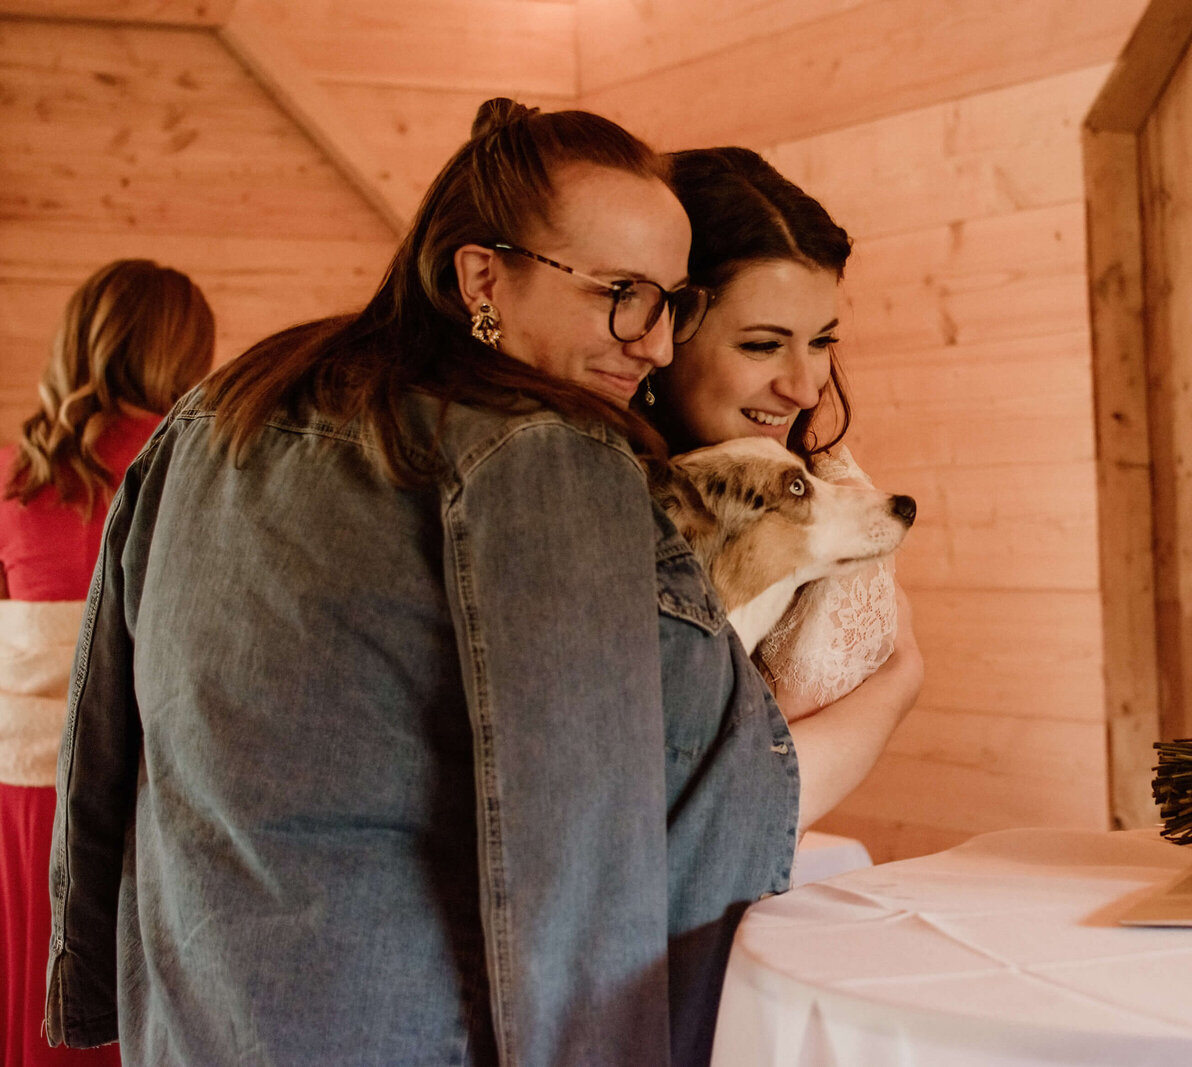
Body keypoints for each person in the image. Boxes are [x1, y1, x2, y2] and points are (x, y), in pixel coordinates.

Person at [47, 103, 797, 1067]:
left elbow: (104, 733)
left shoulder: (221, 406)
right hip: (406, 1026)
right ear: (483, 275)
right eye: (621, 292)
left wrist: (90, 977)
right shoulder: (547, 458)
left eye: (672, 301)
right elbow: (593, 857)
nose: (653, 342)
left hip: (200, 1014)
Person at [646, 147, 923, 833]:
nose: (804, 387)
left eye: (821, 341)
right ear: (663, 331)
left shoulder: (823, 478)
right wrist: (896, 686)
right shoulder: (605, 500)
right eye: (763, 345)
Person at [1, 258, 214, 1067]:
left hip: (18, 792)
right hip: (130, 789)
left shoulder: (14, 476)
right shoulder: (189, 466)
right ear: (184, 350)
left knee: (30, 990)